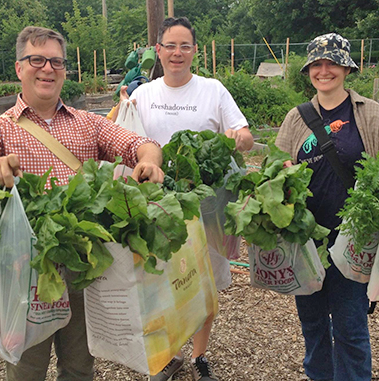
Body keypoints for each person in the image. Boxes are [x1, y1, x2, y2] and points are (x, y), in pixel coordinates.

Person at [0, 26, 164, 381]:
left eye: (56, 62)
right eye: (37, 60)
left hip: (82, 264)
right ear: (19, 68)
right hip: (25, 273)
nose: (47, 69)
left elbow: (141, 142)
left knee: (79, 365)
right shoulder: (0, 128)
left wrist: (149, 160)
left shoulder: (88, 123)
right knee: (26, 368)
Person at [114, 16, 254, 381]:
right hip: (157, 205)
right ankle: (167, 356)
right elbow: (123, 139)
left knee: (204, 280)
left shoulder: (213, 90)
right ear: (157, 51)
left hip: (205, 203)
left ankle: (199, 354)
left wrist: (239, 138)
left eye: (185, 46)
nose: (177, 53)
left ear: (194, 51)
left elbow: (245, 135)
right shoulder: (143, 94)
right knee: (159, 282)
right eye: (170, 46)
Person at [275, 33, 379, 381]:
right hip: (307, 241)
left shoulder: (370, 113)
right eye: (317, 64)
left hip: (354, 240)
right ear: (309, 71)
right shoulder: (296, 118)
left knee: (350, 326)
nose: (324, 70)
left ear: (347, 68)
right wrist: (281, 173)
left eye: (332, 62)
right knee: (314, 324)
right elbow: (275, 166)